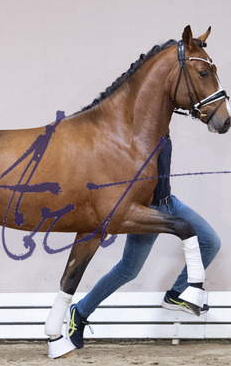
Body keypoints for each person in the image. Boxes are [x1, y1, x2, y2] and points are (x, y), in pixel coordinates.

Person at [67, 133, 221, 349]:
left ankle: (176, 294)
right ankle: (80, 312)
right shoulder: (134, 137)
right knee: (128, 271)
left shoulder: (163, 132)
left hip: (171, 204)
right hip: (146, 212)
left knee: (210, 242)